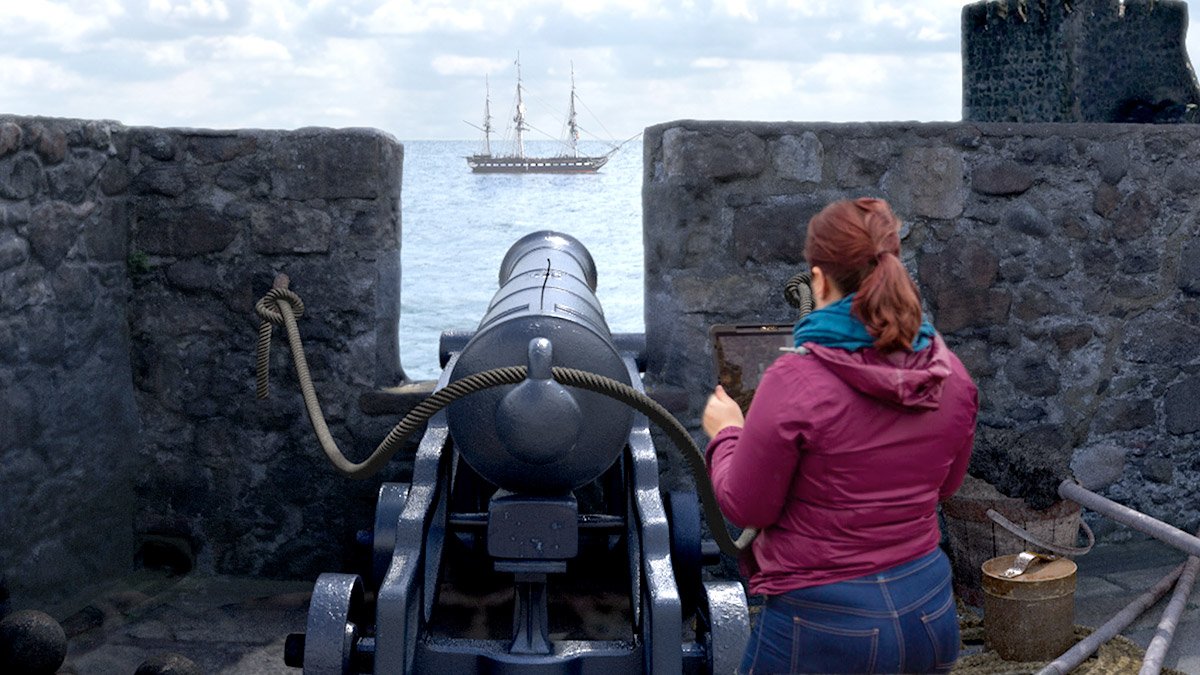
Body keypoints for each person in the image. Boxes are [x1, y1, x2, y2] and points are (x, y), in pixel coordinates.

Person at [703, 198, 978, 675]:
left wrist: (727, 433)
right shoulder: (949, 373)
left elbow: (747, 508)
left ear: (820, 278)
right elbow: (946, 486)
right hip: (928, 606)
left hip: (824, 620)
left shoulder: (794, 379)